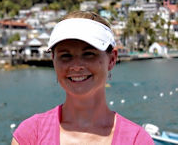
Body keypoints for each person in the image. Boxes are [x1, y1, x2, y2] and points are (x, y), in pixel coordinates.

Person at [12, 11, 153, 144]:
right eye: (65, 56)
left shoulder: (136, 140)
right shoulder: (31, 135)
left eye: (89, 54)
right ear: (53, 60)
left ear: (112, 59)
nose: (76, 66)